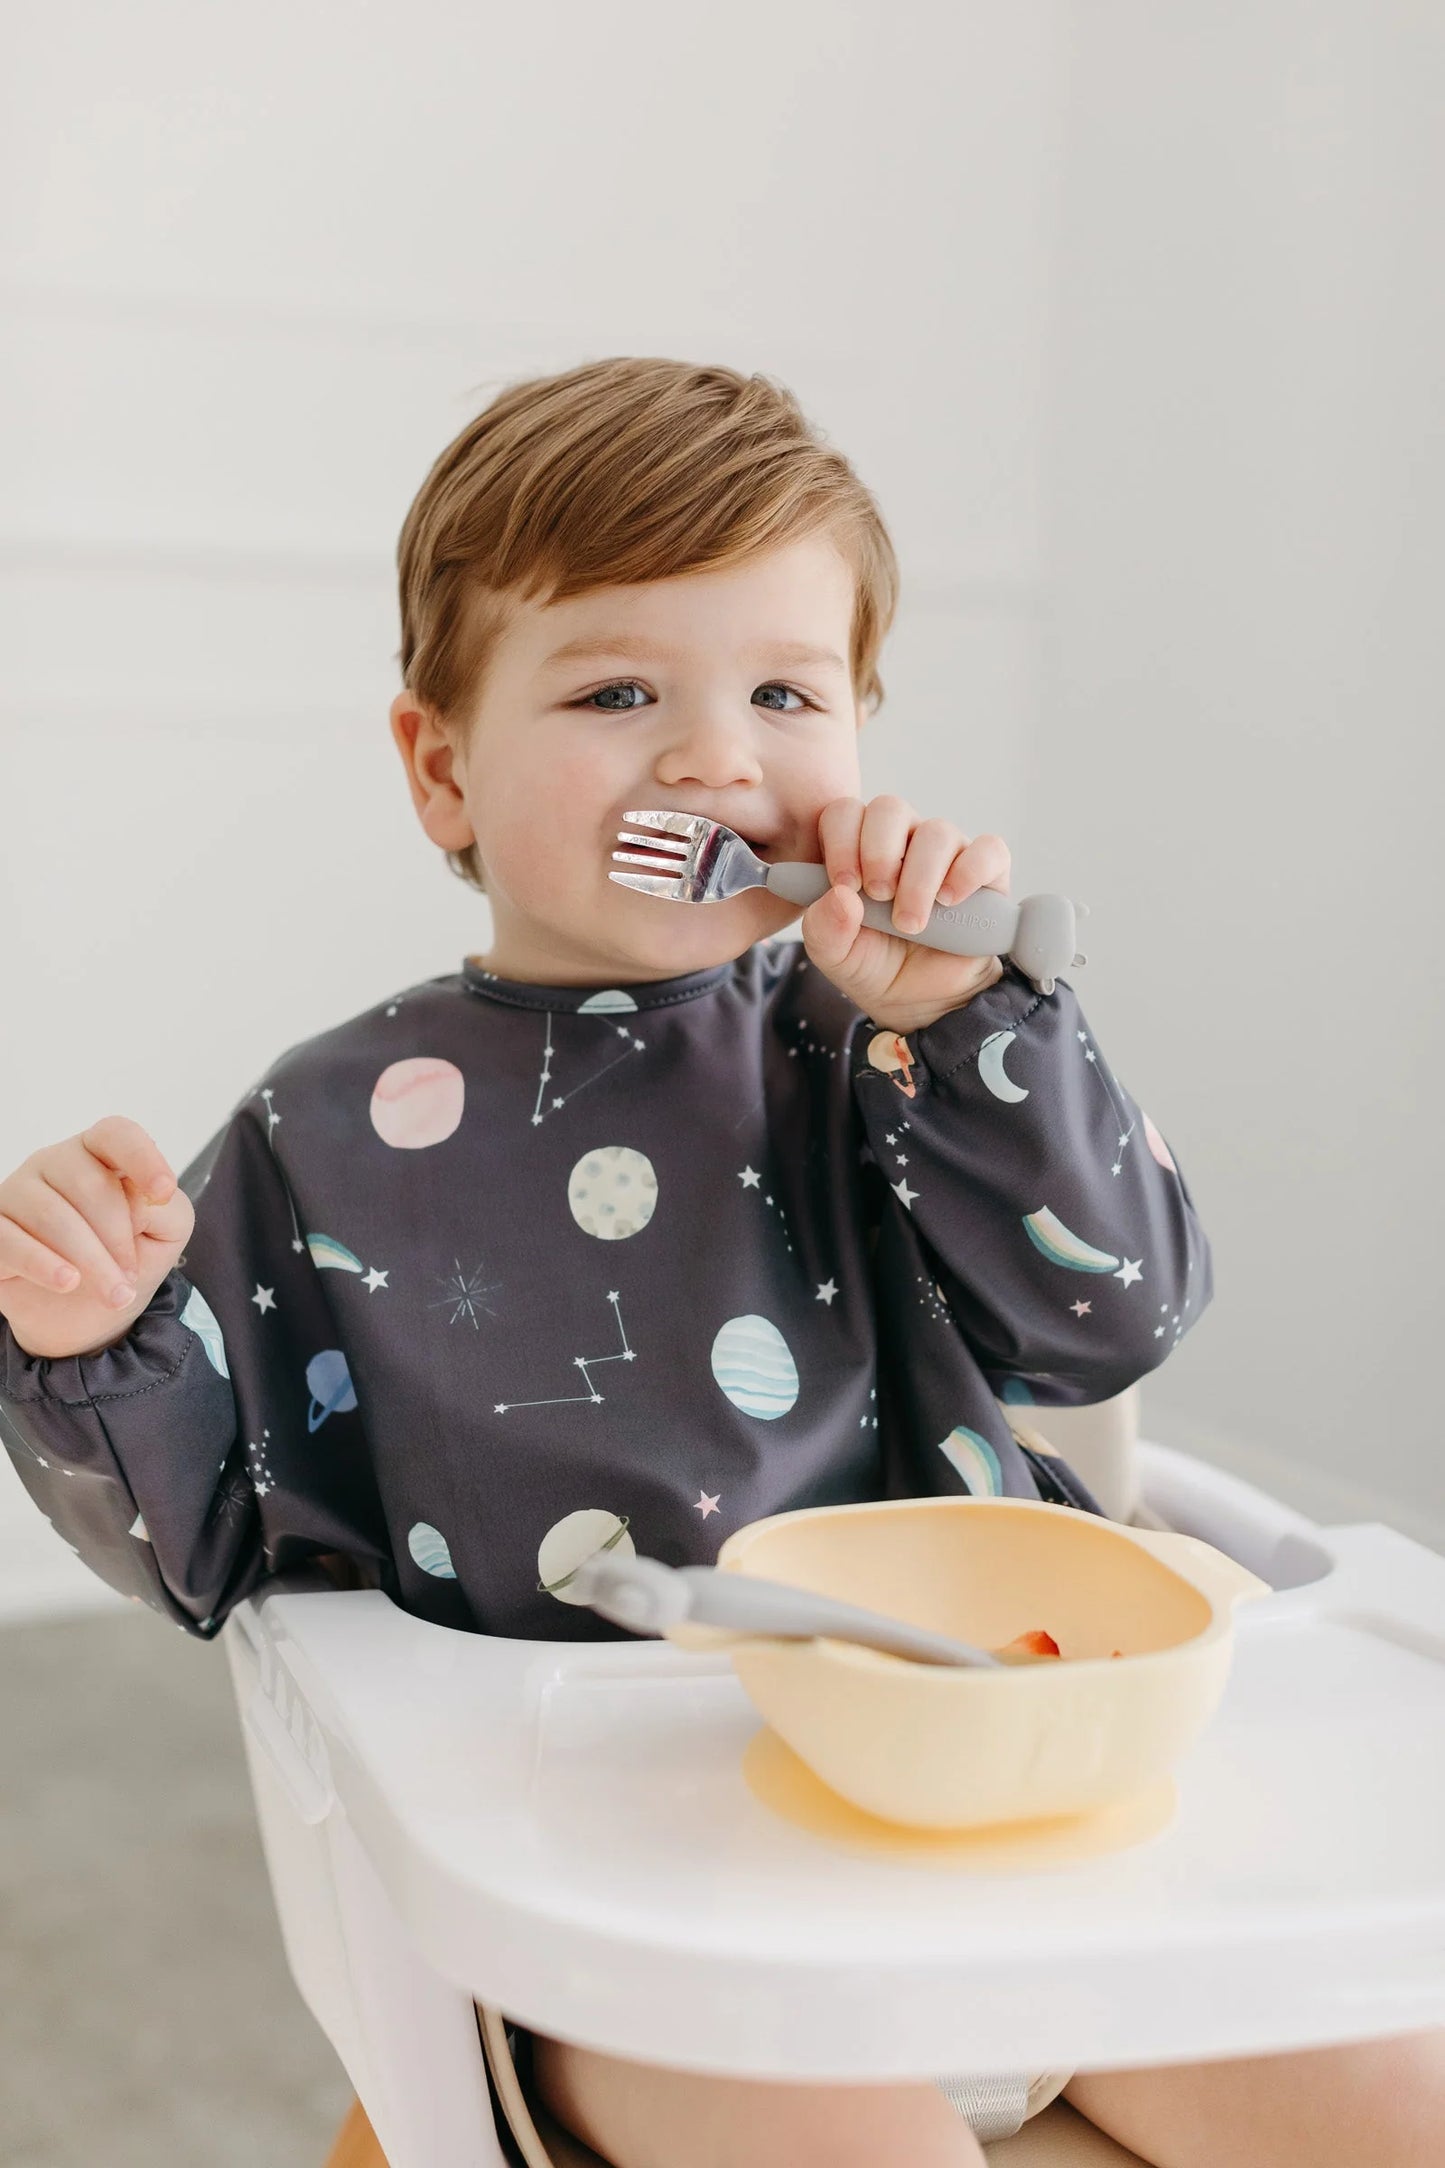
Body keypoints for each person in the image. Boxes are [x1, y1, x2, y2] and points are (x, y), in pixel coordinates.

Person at [2, 358, 1438, 2166]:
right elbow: (204, 1546)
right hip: (637, 1916)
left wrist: (984, 1027)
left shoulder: (894, 1043)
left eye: (784, 691)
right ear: (441, 767)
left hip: (1034, 1835)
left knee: (1399, 2099)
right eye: (617, 691)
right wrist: (90, 1344)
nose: (713, 757)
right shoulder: (331, 1130)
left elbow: (1112, 1322)